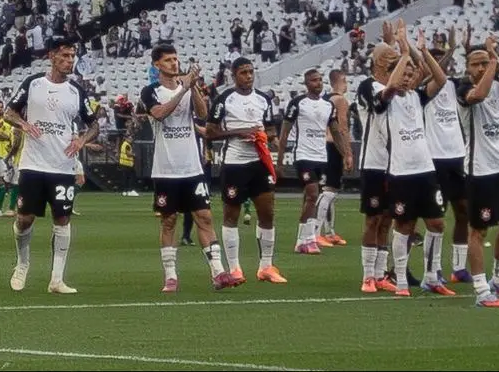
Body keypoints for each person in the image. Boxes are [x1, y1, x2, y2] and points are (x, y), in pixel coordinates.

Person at [3, 37, 100, 292]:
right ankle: (22, 264)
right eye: (65, 56)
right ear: (52, 56)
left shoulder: (76, 91)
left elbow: (95, 125)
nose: (70, 61)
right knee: (25, 218)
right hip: (33, 164)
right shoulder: (33, 84)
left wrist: (82, 140)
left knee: (62, 219)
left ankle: (56, 280)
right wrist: (24, 124)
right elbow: (8, 111)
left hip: (62, 165)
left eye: (72, 56)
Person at [140, 44, 236, 292]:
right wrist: (183, 88)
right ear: (157, 65)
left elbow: (204, 114)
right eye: (168, 60)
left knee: (204, 216)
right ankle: (170, 275)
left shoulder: (187, 87)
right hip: (166, 168)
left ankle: (218, 272)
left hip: (192, 167)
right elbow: (160, 113)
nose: (174, 63)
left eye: (176, 59)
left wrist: (192, 86)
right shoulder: (150, 91)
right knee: (169, 220)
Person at [378, 23, 453, 297]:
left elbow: (441, 80)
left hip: (426, 171)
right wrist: (404, 50)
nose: (407, 78)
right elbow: (389, 87)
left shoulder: (418, 98)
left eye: (411, 74)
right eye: (404, 74)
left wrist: (421, 51)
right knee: (405, 226)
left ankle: (432, 276)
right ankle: (399, 279)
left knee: (437, 224)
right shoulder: (385, 99)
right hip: (401, 172)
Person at [457, 34, 499, 307]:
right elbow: (479, 94)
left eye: (484, 62)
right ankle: (481, 290)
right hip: (480, 169)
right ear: (467, 69)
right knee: (479, 230)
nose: (482, 67)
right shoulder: (463, 90)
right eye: (476, 64)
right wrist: (493, 63)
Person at [207, 57, 286, 285]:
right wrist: (240, 132)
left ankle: (266, 266)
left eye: (251, 72)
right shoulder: (224, 100)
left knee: (267, 212)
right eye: (243, 73)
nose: (248, 76)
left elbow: (270, 128)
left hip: (259, 162)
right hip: (234, 163)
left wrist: (267, 138)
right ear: (234, 75)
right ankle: (235, 268)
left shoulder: (263, 99)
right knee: (231, 214)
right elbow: (210, 132)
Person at [279, 69, 352, 254]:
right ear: (306, 83)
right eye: (314, 81)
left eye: (320, 80)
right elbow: (284, 132)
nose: (318, 83)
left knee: (311, 197)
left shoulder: (328, 105)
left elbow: (335, 131)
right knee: (312, 194)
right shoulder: (298, 103)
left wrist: (345, 155)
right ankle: (306, 239)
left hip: (321, 156)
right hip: (303, 155)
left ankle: (304, 240)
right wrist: (279, 161)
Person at [423, 31, 472, 283]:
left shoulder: (454, 86)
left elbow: (473, 76)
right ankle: (433, 270)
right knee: (436, 218)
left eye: (444, 58)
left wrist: (466, 47)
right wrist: (449, 51)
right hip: (434, 158)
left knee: (463, 211)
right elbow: (434, 74)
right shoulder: (423, 87)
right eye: (436, 59)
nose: (443, 62)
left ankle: (459, 267)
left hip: (457, 157)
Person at [356, 32, 400, 293]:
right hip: (373, 162)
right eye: (391, 57)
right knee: (373, 219)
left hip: (395, 164)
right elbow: (382, 102)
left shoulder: (399, 87)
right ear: (380, 61)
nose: (397, 62)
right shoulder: (367, 86)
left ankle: (381, 273)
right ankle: (367, 275)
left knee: (387, 219)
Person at [318, 70, 352, 246]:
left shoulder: (324, 99)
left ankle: (329, 231)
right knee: (330, 190)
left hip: (321, 146)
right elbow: (342, 127)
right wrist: (347, 152)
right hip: (333, 145)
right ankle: (317, 232)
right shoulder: (340, 100)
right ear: (341, 81)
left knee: (328, 190)